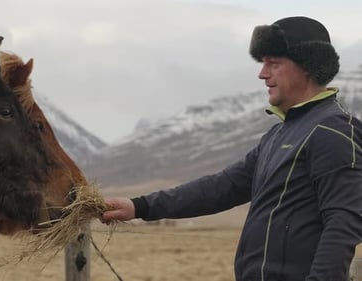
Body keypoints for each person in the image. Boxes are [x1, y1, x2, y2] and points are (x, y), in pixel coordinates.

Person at [101, 16, 362, 281]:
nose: (262, 74)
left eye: (273, 63)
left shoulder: (332, 131)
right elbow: (220, 188)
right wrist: (139, 206)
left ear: (308, 65)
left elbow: (343, 222)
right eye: (262, 64)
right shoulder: (279, 133)